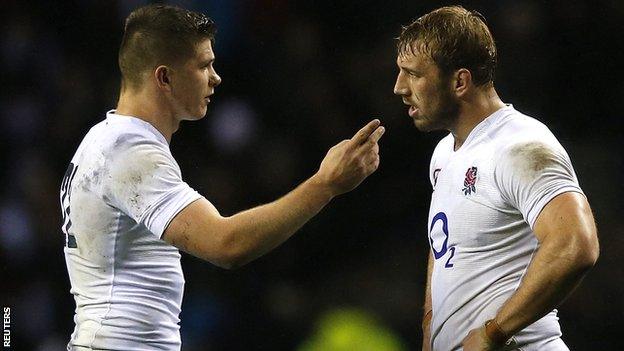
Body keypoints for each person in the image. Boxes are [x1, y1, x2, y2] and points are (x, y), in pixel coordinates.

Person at [60, 4, 385, 350]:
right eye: (204, 65)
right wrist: (326, 184)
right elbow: (226, 245)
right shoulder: (128, 150)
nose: (216, 77)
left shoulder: (106, 139)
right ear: (164, 77)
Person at [392, 6, 599, 351]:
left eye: (412, 74)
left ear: (460, 81)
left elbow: (576, 245)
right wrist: (430, 326)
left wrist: (494, 332)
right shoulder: (444, 154)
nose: (399, 87)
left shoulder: (519, 146)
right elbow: (445, 246)